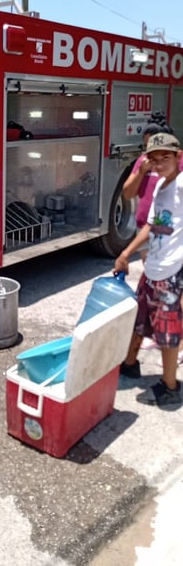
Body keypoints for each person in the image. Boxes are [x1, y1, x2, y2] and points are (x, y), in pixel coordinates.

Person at [114, 132, 183, 407]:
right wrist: (126, 253)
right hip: (152, 266)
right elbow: (151, 226)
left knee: (167, 334)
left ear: (178, 157)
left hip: (172, 270)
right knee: (140, 318)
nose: (158, 164)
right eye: (154, 159)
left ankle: (170, 386)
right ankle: (130, 364)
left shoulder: (180, 184)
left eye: (165, 157)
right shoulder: (160, 188)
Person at [122, 113, 174, 263]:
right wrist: (141, 171)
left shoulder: (178, 162)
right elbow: (127, 193)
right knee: (151, 275)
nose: (147, 151)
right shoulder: (143, 161)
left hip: (167, 231)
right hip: (144, 228)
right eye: (146, 146)